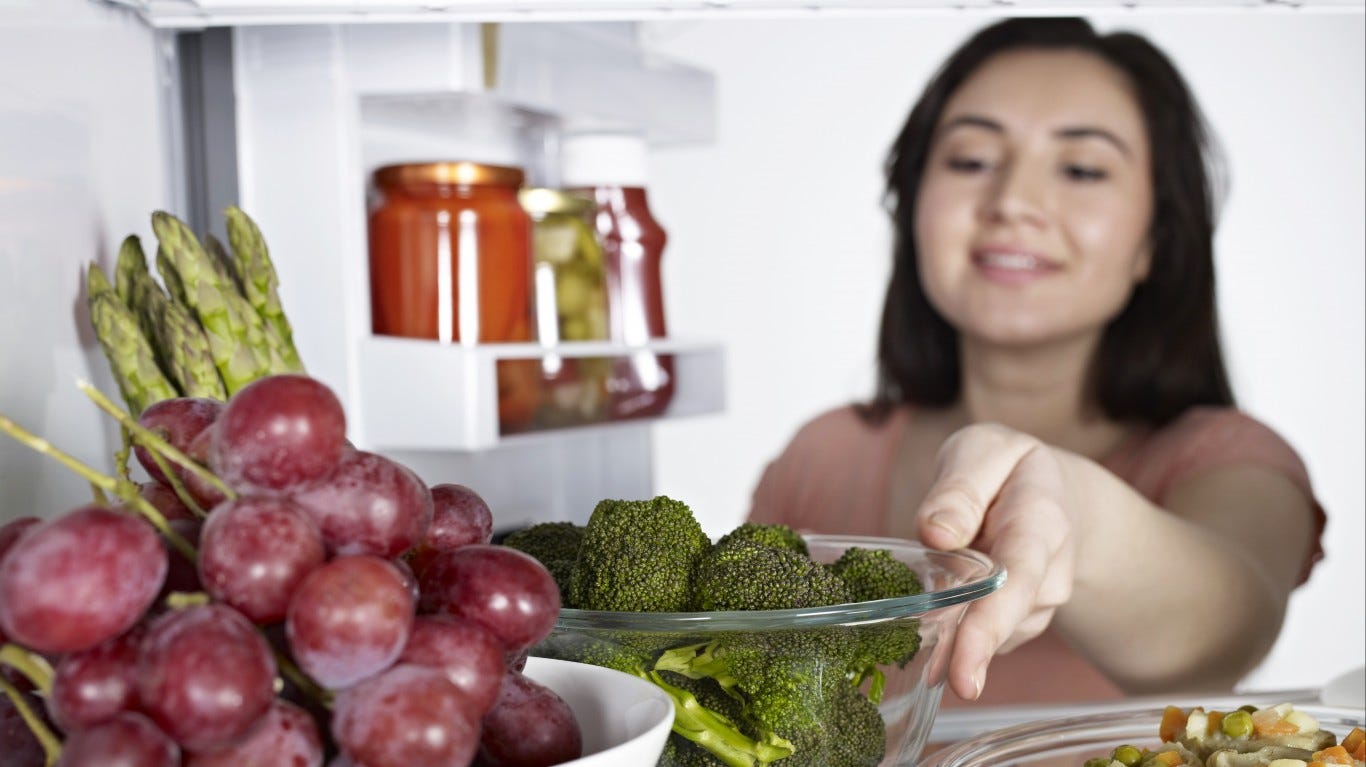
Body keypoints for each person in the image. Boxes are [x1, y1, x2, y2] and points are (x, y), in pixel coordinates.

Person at [747, 17, 1325, 707]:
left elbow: (1223, 631)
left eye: (1082, 168)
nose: (1013, 202)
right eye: (971, 160)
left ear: (1155, 240)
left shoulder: (1234, 461)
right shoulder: (824, 455)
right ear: (911, 209)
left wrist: (1067, 505)